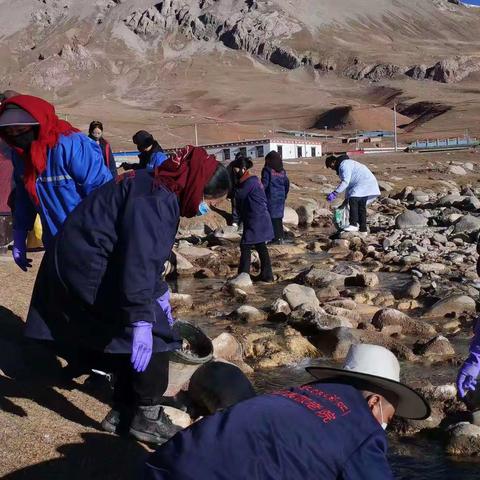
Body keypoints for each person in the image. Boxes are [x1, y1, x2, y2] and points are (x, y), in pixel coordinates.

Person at [24, 145, 230, 445]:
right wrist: (143, 320)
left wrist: (158, 293)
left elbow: (142, 250)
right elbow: (139, 261)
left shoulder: (156, 182)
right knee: (157, 336)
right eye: (208, 199)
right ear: (197, 185)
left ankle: (121, 410)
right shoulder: (157, 200)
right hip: (90, 267)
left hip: (79, 258)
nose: (205, 207)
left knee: (123, 331)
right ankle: (146, 417)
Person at [144, 343, 430, 480]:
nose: (384, 427)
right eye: (388, 419)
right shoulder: (362, 430)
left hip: (162, 466)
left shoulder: (299, 393)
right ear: (374, 403)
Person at [0, 95, 112, 269]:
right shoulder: (21, 156)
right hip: (54, 243)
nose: (16, 137)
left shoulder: (71, 145)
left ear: (37, 124)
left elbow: (104, 195)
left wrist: (104, 238)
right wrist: (20, 232)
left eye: (21, 129)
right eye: (10, 132)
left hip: (89, 243)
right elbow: (23, 196)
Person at [230, 155, 274, 282]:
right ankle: (267, 275)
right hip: (260, 217)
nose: (235, 172)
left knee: (245, 245)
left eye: (236, 169)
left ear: (243, 169)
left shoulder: (249, 182)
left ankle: (243, 275)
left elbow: (238, 196)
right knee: (260, 246)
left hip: (256, 219)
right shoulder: (253, 180)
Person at [325, 154, 380, 233]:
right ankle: (363, 229)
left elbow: (345, 182)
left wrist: (335, 192)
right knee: (361, 206)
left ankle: (353, 224)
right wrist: (346, 199)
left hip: (363, 183)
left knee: (353, 201)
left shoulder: (344, 165)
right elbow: (349, 185)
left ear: (334, 161)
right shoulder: (347, 163)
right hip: (367, 183)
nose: (332, 168)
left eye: (331, 166)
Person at [262, 150, 289, 244]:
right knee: (278, 218)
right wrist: (285, 194)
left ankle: (274, 238)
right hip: (281, 198)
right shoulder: (282, 171)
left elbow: (264, 184)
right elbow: (286, 184)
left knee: (272, 218)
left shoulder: (267, 170)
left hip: (271, 197)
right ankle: (280, 238)